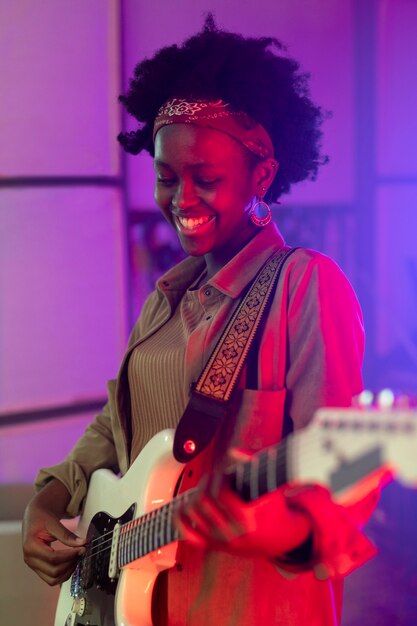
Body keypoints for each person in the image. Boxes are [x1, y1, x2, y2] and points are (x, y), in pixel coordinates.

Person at [22, 16, 378, 626]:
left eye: (206, 179)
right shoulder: (165, 299)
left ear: (260, 176)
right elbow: (116, 423)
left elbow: (345, 480)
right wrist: (48, 500)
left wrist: (277, 528)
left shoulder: (305, 286)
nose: (181, 200)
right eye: (166, 178)